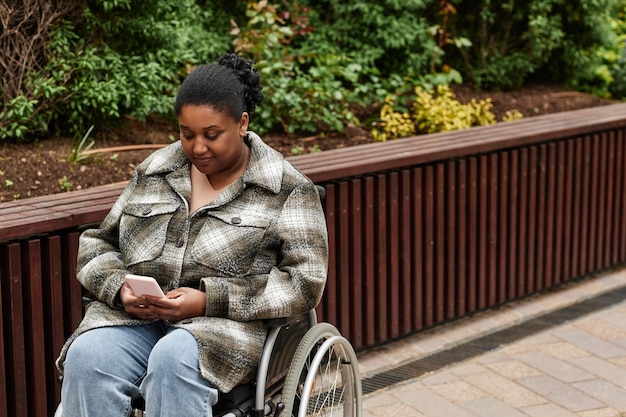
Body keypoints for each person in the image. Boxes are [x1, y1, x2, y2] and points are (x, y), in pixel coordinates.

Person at [55, 53, 329, 417]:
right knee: (88, 356)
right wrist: (120, 287)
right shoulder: (156, 170)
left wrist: (207, 301)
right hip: (135, 320)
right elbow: (98, 242)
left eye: (211, 135)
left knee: (173, 360)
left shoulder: (286, 188)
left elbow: (303, 284)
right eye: (187, 135)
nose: (198, 148)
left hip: (225, 332)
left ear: (242, 123)